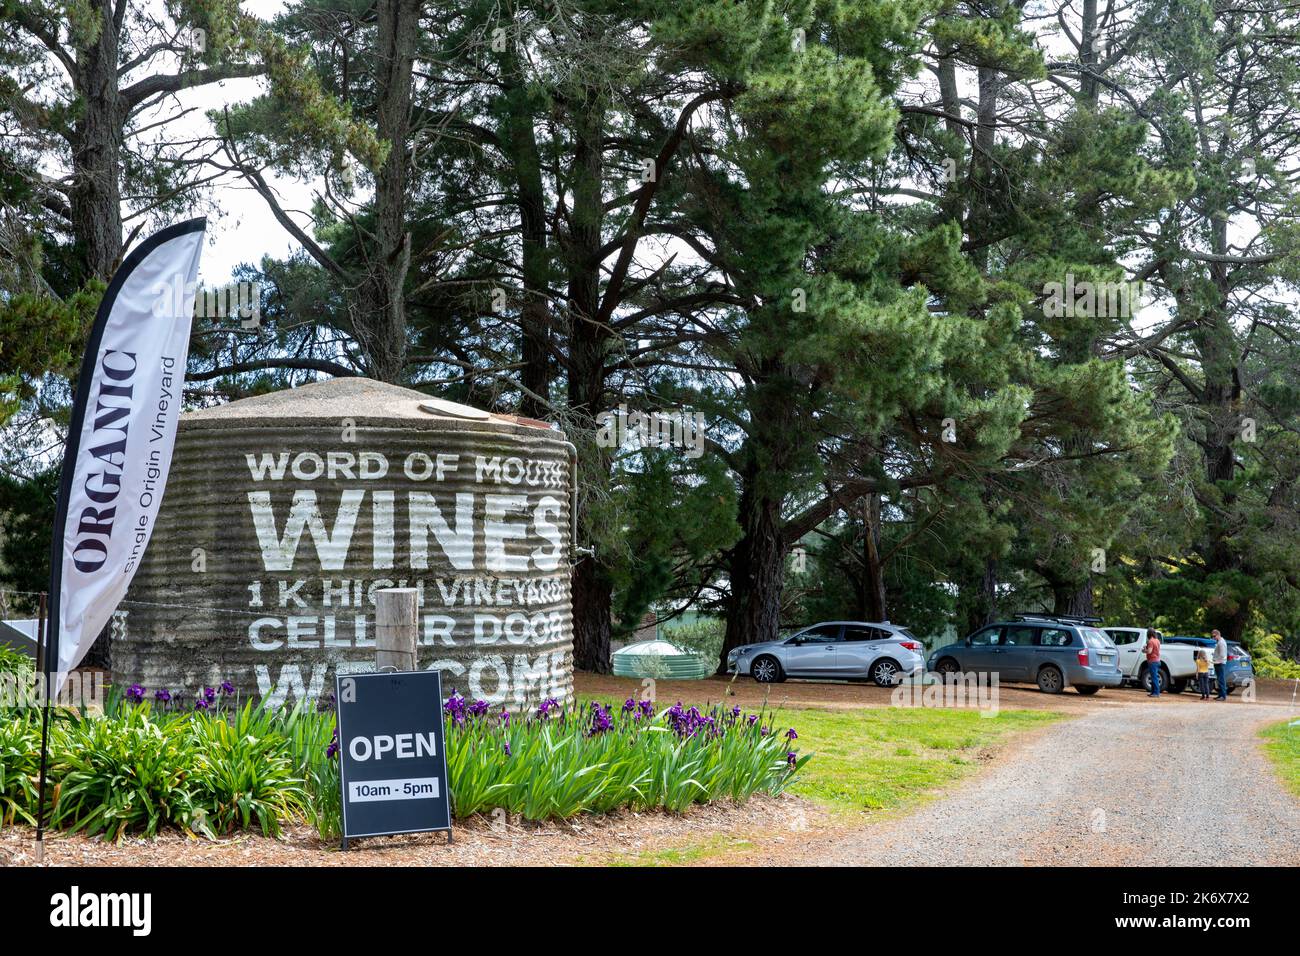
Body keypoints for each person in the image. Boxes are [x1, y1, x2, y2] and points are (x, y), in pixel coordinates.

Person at [1143, 628, 1162, 697]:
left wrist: (1144, 650)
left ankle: (1156, 693)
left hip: (1152, 661)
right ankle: (1153, 692)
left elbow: (1149, 651)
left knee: (1154, 677)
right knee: (1154, 676)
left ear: (1148, 634)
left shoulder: (1150, 641)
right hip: (1157, 660)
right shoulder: (1157, 641)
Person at [1211, 628, 1229, 700]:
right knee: (1219, 679)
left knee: (1221, 680)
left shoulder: (1221, 643)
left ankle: (1223, 696)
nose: (1213, 638)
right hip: (1218, 663)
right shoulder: (1219, 642)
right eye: (1212, 636)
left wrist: (1217, 661)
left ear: (1218, 635)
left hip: (1220, 663)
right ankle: (1220, 694)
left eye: (1214, 636)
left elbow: (1222, 655)